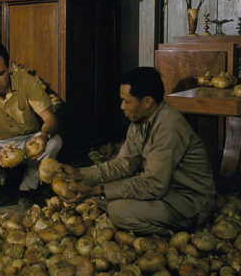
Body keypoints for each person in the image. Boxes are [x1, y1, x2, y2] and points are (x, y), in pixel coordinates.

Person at [62, 67, 216, 235]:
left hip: (187, 201)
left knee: (117, 210)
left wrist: (101, 190)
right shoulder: (140, 120)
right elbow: (123, 164)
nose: (122, 106)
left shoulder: (169, 127)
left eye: (127, 101)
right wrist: (81, 174)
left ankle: (177, 233)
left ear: (147, 102)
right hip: (163, 191)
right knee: (100, 197)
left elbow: (153, 185)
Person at [0, 41, 62, 196]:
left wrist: (43, 136)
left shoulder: (26, 81)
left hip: (28, 141)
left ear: (9, 67)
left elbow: (50, 118)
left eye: (0, 74)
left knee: (55, 142)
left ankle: (28, 187)